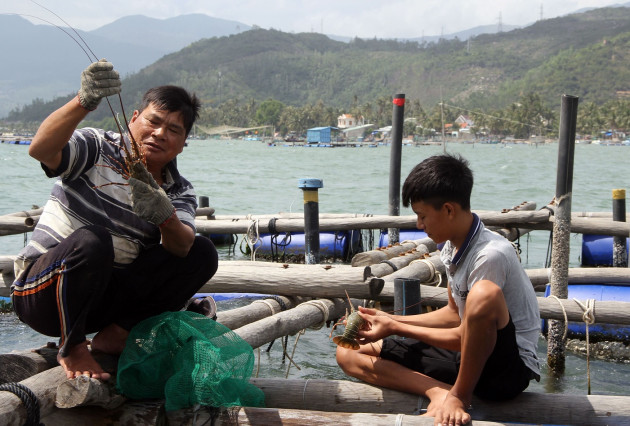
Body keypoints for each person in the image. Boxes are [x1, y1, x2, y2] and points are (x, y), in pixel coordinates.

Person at [11, 59, 219, 381]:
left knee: (202, 251)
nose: (160, 134)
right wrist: (84, 100)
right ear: (134, 119)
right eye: (153, 121)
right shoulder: (97, 146)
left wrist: (164, 216)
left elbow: (181, 248)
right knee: (92, 239)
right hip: (42, 294)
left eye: (173, 130)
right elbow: (42, 149)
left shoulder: (179, 190)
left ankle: (116, 335)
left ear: (183, 143)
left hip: (101, 303)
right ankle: (73, 345)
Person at [336, 154, 540, 426]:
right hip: (467, 357)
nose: (420, 225)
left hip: (505, 371)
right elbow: (455, 315)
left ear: (448, 209)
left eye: (422, 216)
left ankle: (459, 396)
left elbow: (467, 337)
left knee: (484, 295)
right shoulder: (451, 247)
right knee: (348, 352)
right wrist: (388, 319)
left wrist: (397, 327)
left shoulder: (489, 255)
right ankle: (437, 391)